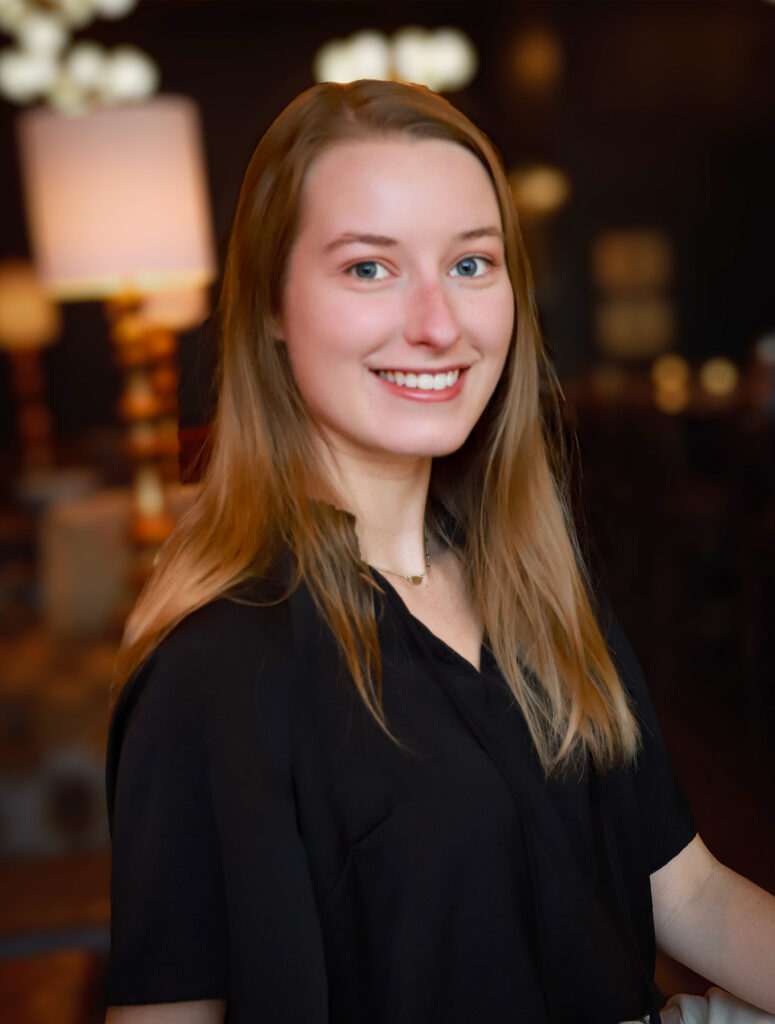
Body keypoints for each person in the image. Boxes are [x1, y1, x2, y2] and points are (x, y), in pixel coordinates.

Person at [104, 80, 775, 1024]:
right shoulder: (214, 667)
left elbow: (687, 891)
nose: (438, 324)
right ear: (268, 308)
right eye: (368, 268)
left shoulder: (533, 581)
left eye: (470, 264)